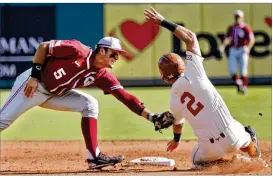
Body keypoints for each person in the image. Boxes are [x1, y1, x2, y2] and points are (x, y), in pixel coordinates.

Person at [0, 36, 171, 169]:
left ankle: (94, 157)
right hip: (33, 86)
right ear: (102, 50)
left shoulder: (102, 75)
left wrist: (152, 117)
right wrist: (34, 76)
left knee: (89, 104)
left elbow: (125, 97)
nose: (117, 58)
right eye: (114, 53)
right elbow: (43, 46)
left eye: (118, 55)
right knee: (3, 121)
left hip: (55, 94)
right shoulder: (77, 49)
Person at [144, 7, 261, 168]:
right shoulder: (194, 71)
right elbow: (191, 38)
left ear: (164, 76)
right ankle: (249, 144)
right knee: (245, 133)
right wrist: (163, 21)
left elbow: (178, 123)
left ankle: (224, 164)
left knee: (195, 161)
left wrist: (176, 140)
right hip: (233, 136)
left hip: (210, 148)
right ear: (182, 66)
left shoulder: (174, 100)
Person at [219, 9, 255, 95]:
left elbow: (252, 39)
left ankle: (244, 87)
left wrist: (248, 48)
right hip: (233, 49)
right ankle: (239, 83)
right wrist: (223, 46)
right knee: (232, 70)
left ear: (242, 18)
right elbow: (228, 38)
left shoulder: (246, 28)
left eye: (239, 17)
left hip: (243, 49)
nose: (237, 19)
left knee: (243, 70)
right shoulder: (231, 27)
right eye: (236, 17)